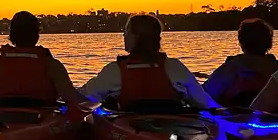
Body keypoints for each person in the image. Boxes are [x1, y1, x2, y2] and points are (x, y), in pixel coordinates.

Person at [81, 14, 219, 111]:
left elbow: (84, 96)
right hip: (172, 129)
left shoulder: (114, 71)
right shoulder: (176, 67)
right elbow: (204, 103)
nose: (123, 36)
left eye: (126, 31)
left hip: (131, 130)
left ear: (135, 37)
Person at [0, 11, 86, 108]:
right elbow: (71, 98)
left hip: (2, 119)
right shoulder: (52, 65)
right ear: (36, 35)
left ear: (12, 35)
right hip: (42, 120)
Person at [204, 19, 278, 107]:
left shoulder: (231, 68)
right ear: (269, 42)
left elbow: (204, 93)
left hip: (233, 117)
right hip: (268, 117)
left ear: (241, 42)